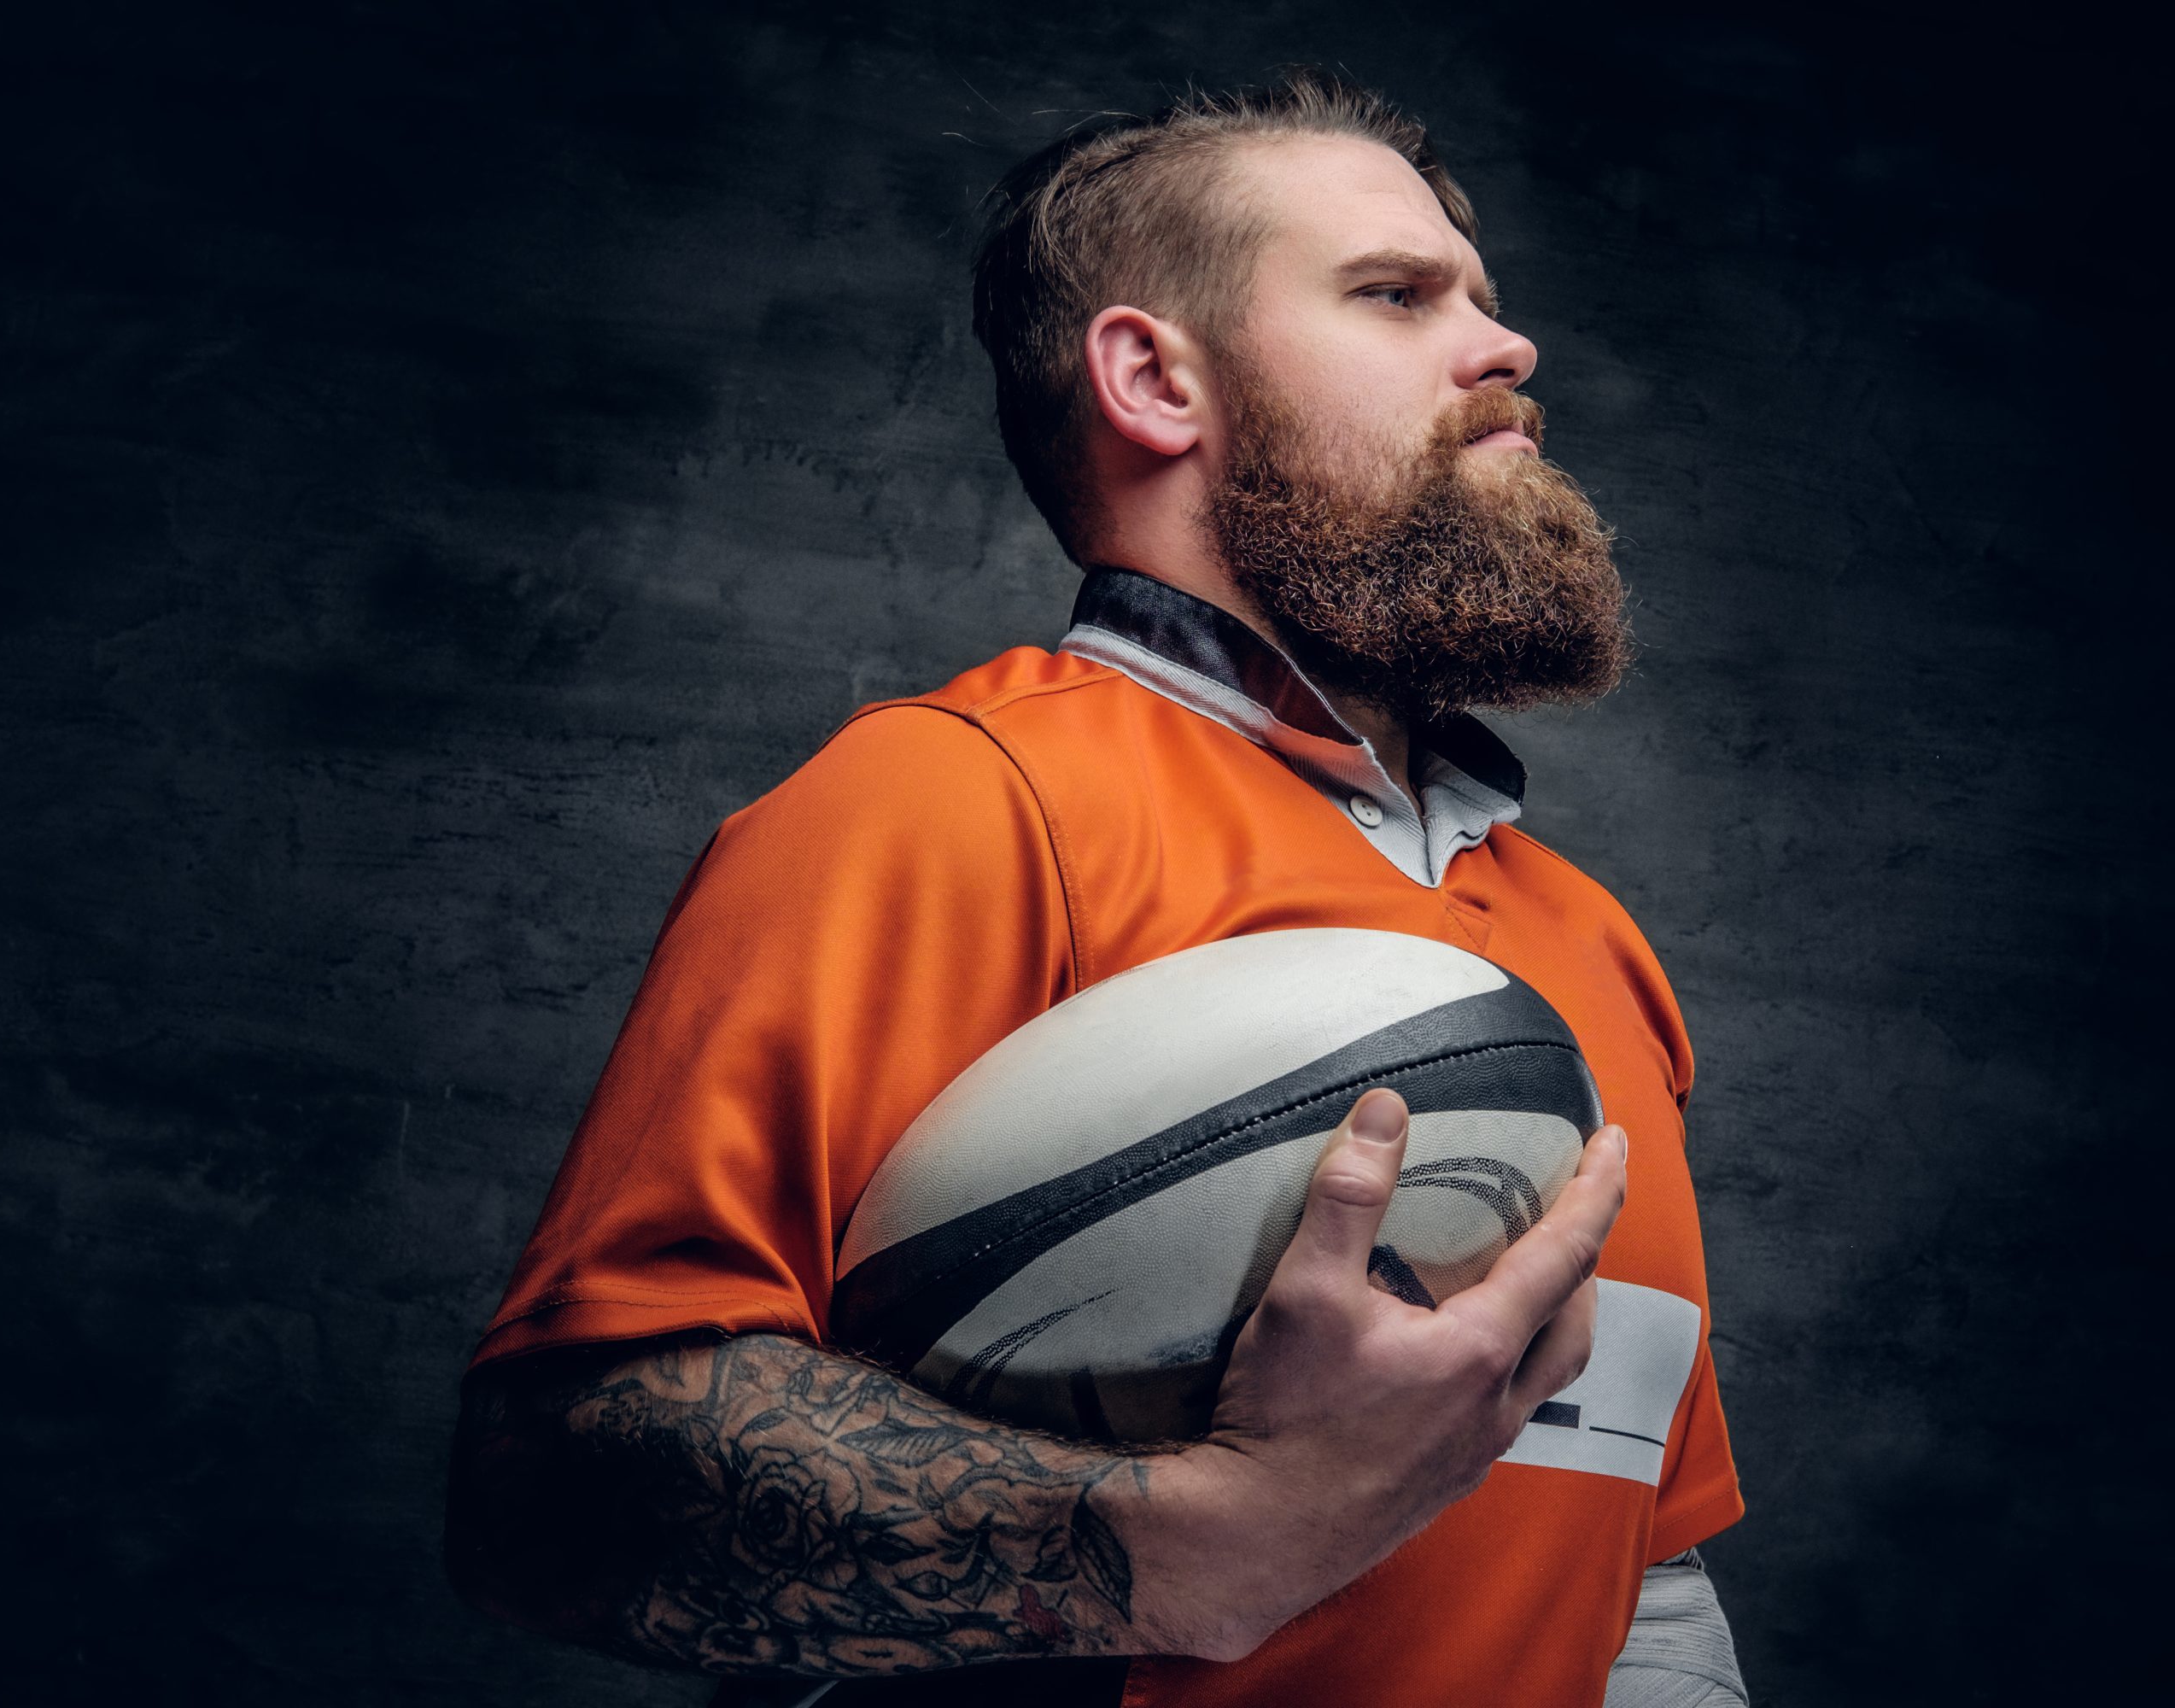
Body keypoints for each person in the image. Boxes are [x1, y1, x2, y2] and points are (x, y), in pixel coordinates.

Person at [445, 70, 1748, 1708]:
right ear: (1152, 378)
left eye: (1485, 300)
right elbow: (556, 1494)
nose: (1507, 350)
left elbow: (1634, 1565)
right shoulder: (950, 800)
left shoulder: (1588, 936)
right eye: (1396, 296)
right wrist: (1207, 1537)